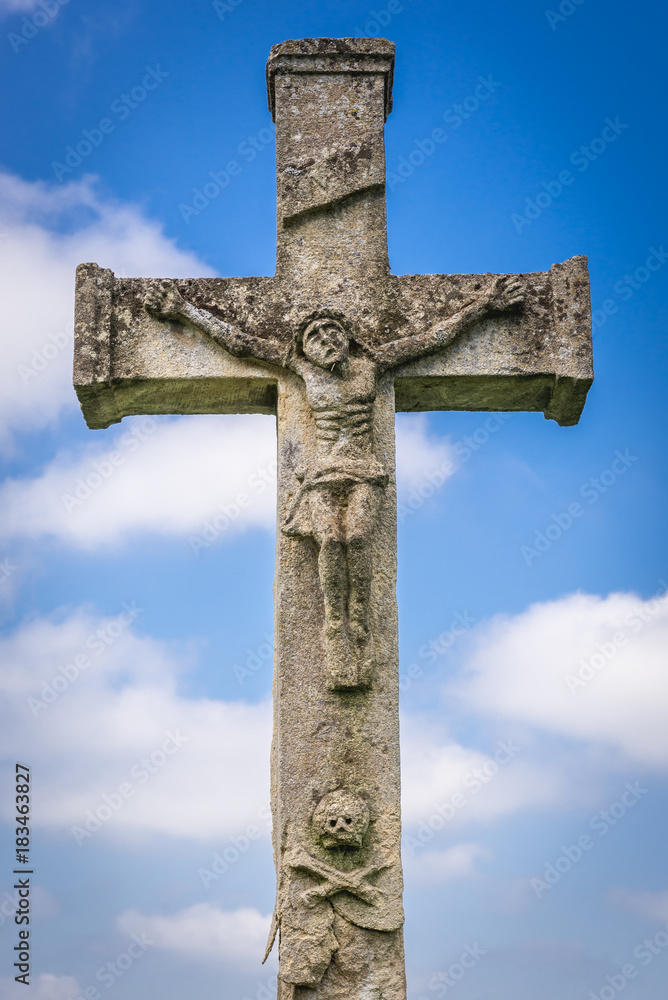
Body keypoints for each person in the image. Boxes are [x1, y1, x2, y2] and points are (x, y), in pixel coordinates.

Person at [145, 275, 523, 688]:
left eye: (332, 330)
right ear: (303, 348)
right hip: (322, 473)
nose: (325, 339)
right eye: (314, 336)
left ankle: (359, 614)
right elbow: (240, 343)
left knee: (357, 537)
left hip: (362, 469)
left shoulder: (373, 365)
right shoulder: (301, 371)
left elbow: (432, 339)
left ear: (348, 337)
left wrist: (484, 306)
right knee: (329, 540)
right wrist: (185, 311)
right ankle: (334, 620)